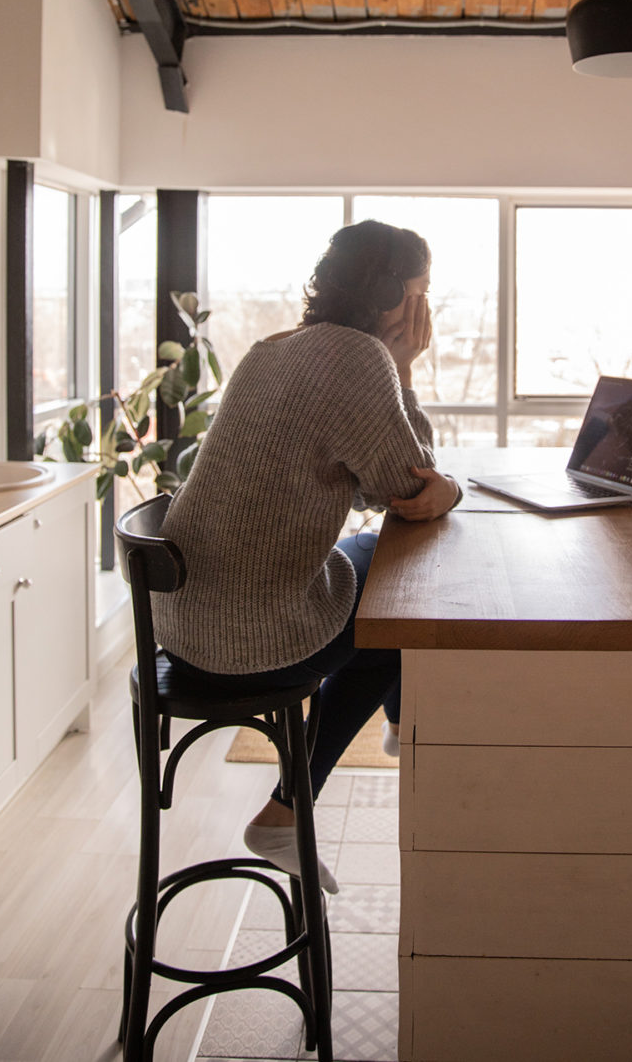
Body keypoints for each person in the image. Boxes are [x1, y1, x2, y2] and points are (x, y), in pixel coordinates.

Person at [156, 219, 461, 892]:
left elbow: (390, 490)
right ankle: (308, 797)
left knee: (377, 561)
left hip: (181, 626)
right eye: (421, 291)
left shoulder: (276, 345)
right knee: (405, 596)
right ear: (391, 293)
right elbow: (411, 488)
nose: (425, 308)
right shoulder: (360, 359)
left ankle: (398, 719)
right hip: (252, 641)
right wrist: (407, 369)